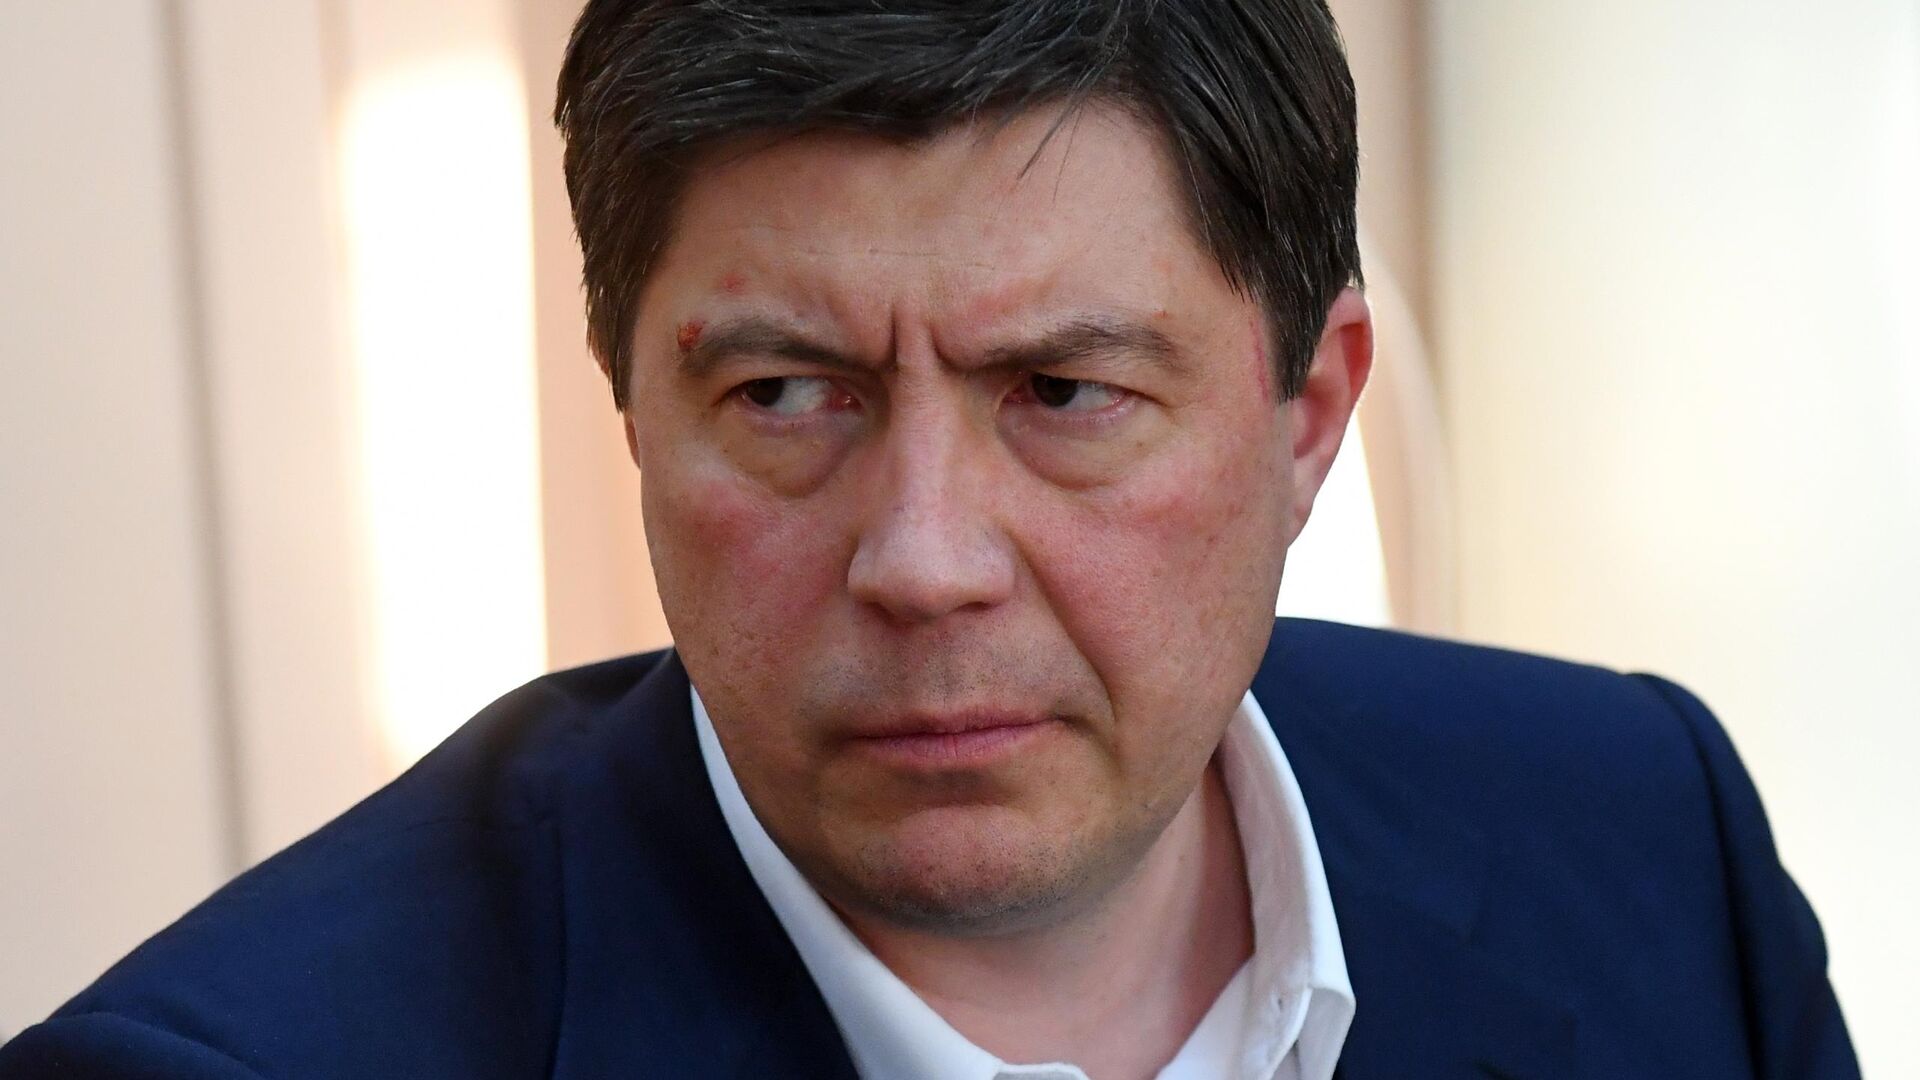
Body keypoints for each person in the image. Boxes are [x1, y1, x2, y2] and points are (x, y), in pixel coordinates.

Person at [0, 1, 1859, 1077]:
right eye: (786, 394)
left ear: (1307, 415)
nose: (923, 559)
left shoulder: (1646, 830)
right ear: (634, 407)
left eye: (1062, 390)